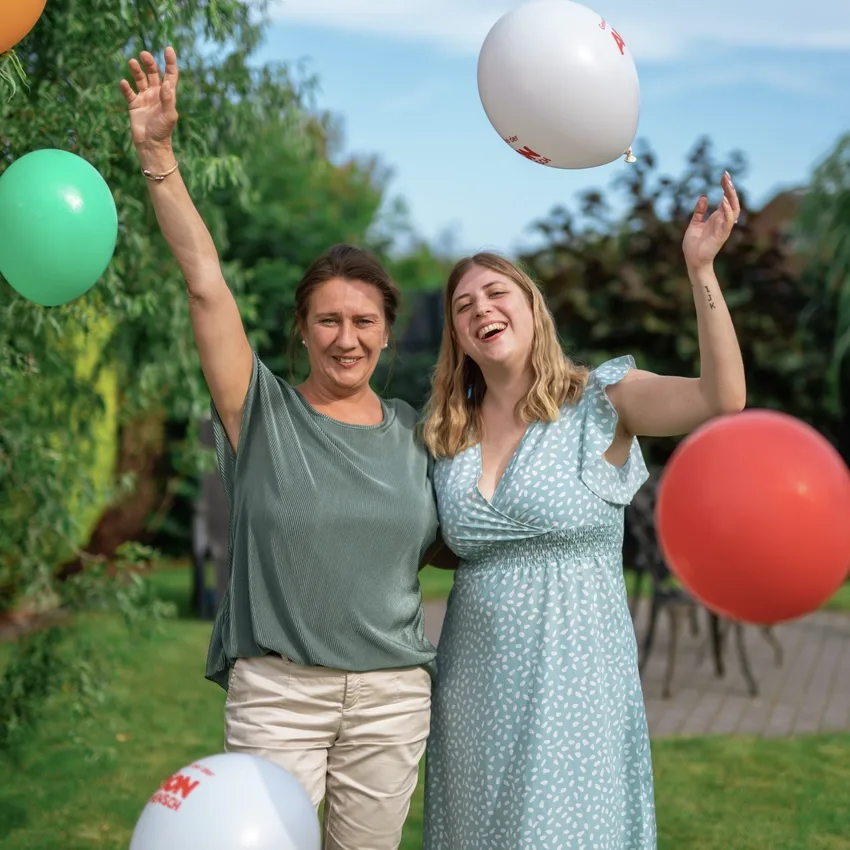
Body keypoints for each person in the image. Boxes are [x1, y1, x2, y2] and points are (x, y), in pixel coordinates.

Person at [121, 47, 448, 850]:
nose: (346, 338)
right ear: (302, 329)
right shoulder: (259, 412)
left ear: (386, 330)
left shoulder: (417, 430)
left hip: (392, 698)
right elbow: (205, 281)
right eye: (329, 320)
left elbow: (460, 534)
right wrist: (160, 158)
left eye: (364, 321)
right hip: (278, 696)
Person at [420, 174, 745, 849]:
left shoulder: (601, 399)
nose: (482, 307)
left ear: (532, 308)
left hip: (575, 677)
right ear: (457, 333)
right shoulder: (448, 432)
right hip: (472, 684)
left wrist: (701, 268)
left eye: (497, 292)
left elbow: (723, 396)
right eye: (463, 304)